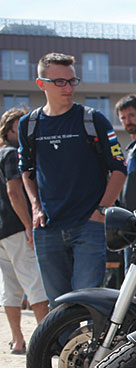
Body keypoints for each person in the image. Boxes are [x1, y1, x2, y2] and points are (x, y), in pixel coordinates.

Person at [18, 53, 127, 302]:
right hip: (48, 228)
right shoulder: (29, 125)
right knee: (58, 308)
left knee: (87, 303)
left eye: (72, 81)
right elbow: (26, 170)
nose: (68, 87)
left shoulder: (92, 119)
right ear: (41, 83)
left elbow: (120, 169)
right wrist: (35, 207)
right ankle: (63, 343)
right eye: (60, 82)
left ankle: (90, 342)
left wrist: (101, 211)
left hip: (88, 226)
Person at [0, 108, 48, 353]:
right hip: (17, 227)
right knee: (35, 284)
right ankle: (46, 340)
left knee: (11, 288)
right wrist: (29, 226)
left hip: (2, 231)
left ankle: (18, 340)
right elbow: (13, 192)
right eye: (19, 127)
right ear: (9, 130)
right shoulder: (10, 154)